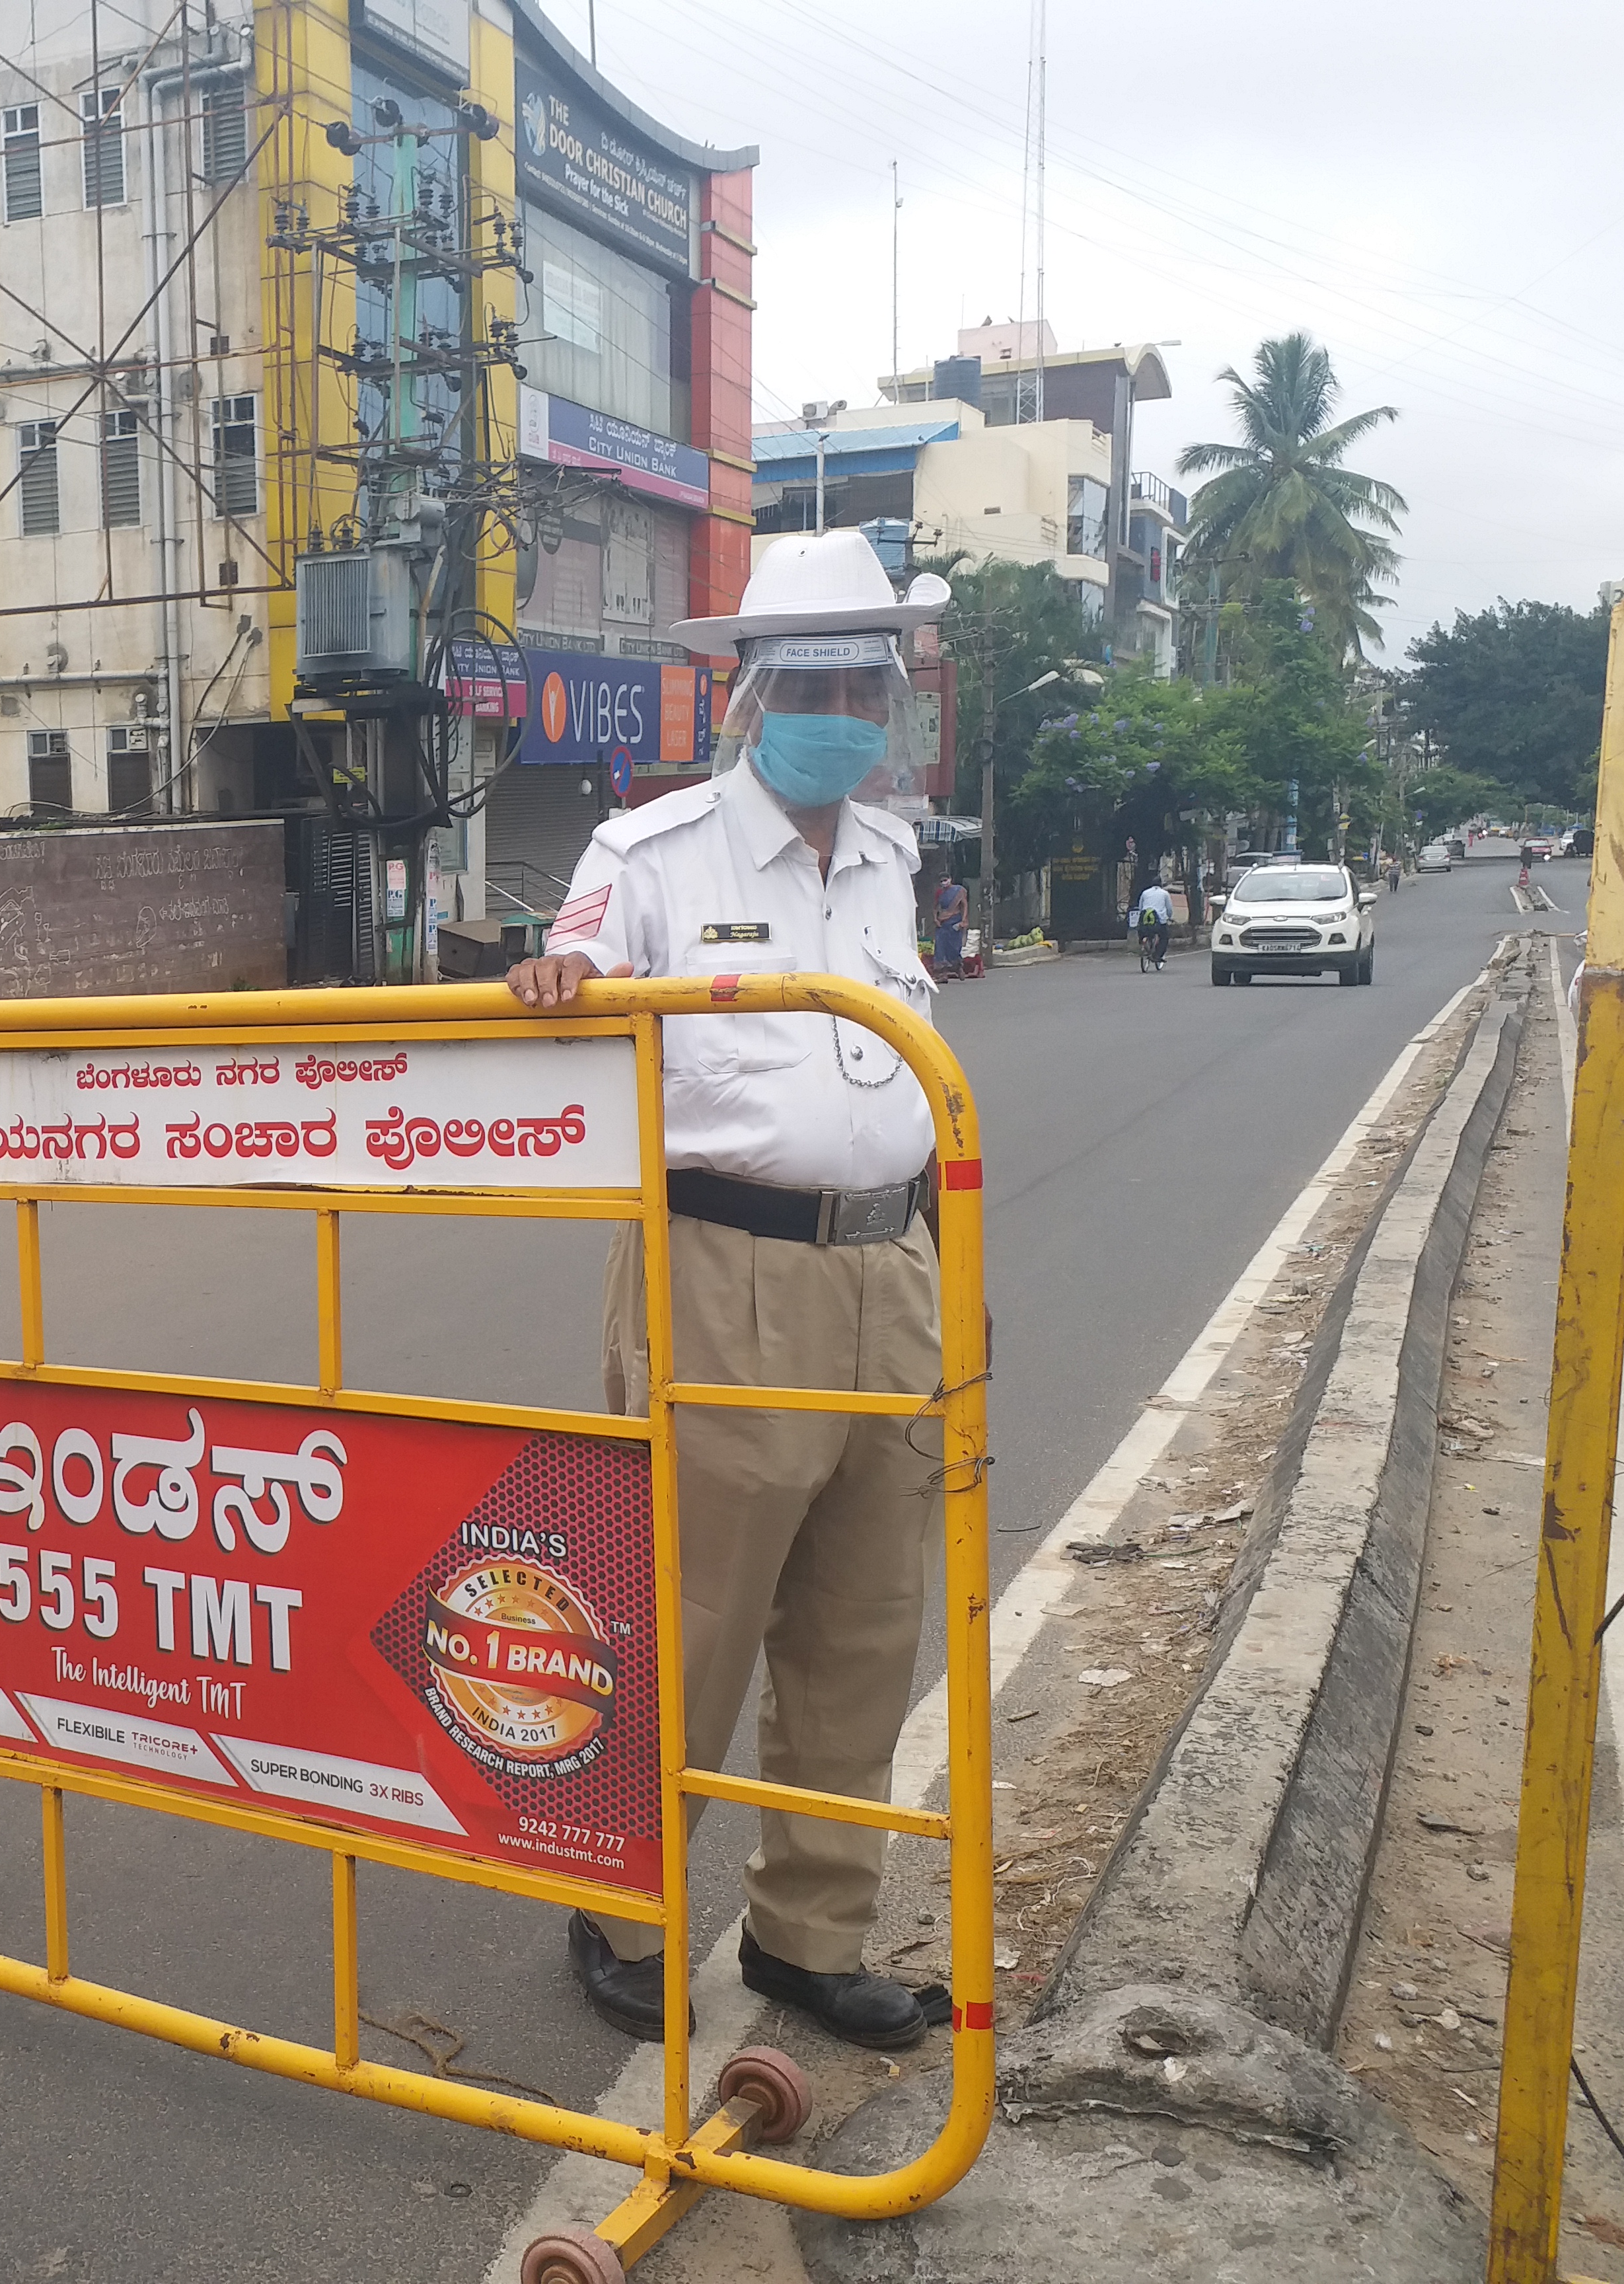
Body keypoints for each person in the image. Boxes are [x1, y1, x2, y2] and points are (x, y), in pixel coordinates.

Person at [504, 529, 953, 2053]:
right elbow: (558, 1003)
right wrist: (548, 988)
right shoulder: (651, 857)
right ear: (753, 692)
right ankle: (621, 1900)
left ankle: (807, 1929)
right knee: (689, 1614)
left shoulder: (891, 858)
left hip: (892, 1263)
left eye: (871, 680)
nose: (852, 707)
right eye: (821, 678)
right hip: (722, 1270)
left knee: (864, 1622)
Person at [930, 874, 969, 981]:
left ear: (950, 879)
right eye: (942, 881)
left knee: (954, 947)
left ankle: (958, 968)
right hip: (942, 923)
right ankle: (942, 975)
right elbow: (935, 907)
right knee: (940, 947)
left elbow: (964, 905)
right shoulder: (940, 892)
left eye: (945, 880)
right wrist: (935, 919)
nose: (944, 882)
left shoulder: (959, 891)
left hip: (955, 921)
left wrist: (963, 920)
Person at [1135, 878, 1174, 970]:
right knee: (1164, 937)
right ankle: (1157, 956)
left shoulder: (1145, 893)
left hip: (1145, 920)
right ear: (1161, 884)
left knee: (1144, 932)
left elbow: (1141, 907)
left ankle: (1143, 941)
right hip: (1159, 921)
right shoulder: (1165, 894)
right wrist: (1169, 916)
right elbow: (1169, 909)